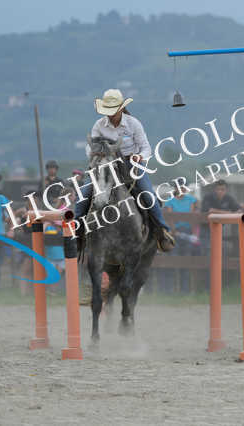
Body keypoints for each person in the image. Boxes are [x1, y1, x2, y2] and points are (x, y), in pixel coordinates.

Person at [73, 88, 175, 251]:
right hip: (105, 164)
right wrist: (95, 153)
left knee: (147, 193)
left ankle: (162, 231)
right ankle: (77, 233)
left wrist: (139, 156)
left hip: (131, 164)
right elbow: (89, 147)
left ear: (121, 109)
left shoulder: (133, 123)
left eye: (113, 110)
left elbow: (146, 148)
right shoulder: (98, 125)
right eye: (108, 110)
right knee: (83, 194)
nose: (110, 114)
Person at [162, 186, 199, 293]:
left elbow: (192, 215)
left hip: (187, 232)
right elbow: (170, 217)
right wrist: (174, 230)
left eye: (183, 187)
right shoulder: (170, 201)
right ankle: (170, 289)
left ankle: (185, 290)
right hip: (174, 232)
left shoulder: (191, 200)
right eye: (179, 187)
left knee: (186, 259)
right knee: (173, 259)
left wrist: (193, 232)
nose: (181, 189)